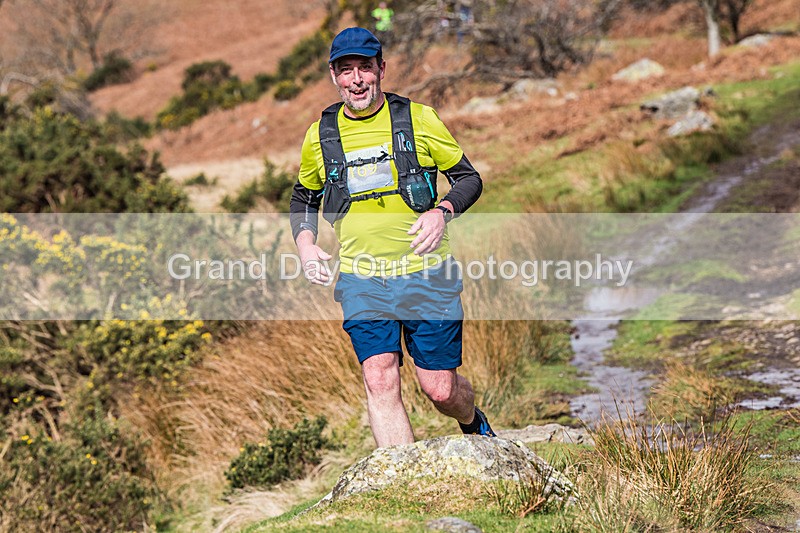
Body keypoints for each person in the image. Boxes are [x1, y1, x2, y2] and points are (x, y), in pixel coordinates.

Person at [289, 27, 494, 448]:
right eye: (347, 71)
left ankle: (473, 423)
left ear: (381, 69)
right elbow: (304, 196)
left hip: (426, 273)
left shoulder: (418, 119)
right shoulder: (320, 135)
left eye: (366, 67)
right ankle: (403, 493)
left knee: (440, 389)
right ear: (334, 76)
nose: (357, 79)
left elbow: (468, 178)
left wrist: (442, 213)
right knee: (379, 378)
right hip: (363, 278)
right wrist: (306, 244)